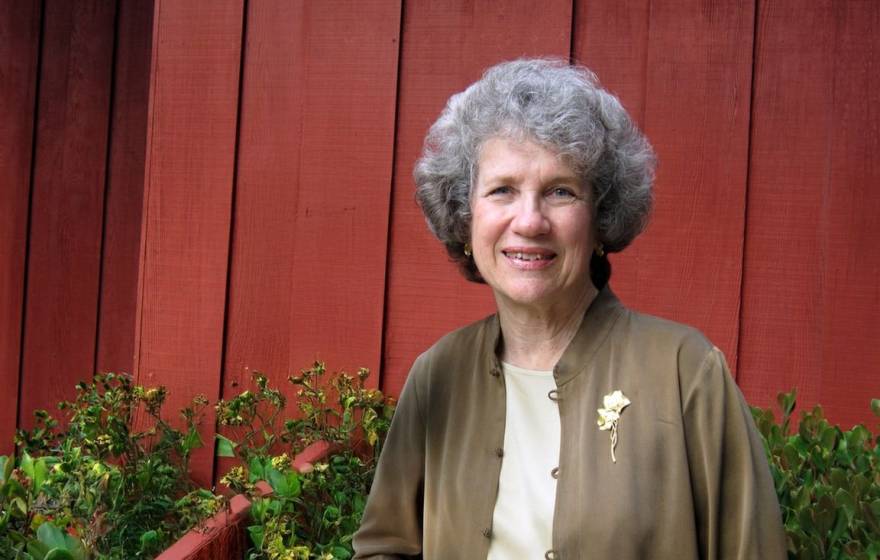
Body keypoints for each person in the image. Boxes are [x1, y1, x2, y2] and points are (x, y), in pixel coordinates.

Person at [353, 58, 786, 559]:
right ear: (465, 216)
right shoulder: (437, 376)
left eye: (561, 191)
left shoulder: (685, 371)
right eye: (503, 190)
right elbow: (385, 546)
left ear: (600, 219)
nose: (530, 221)